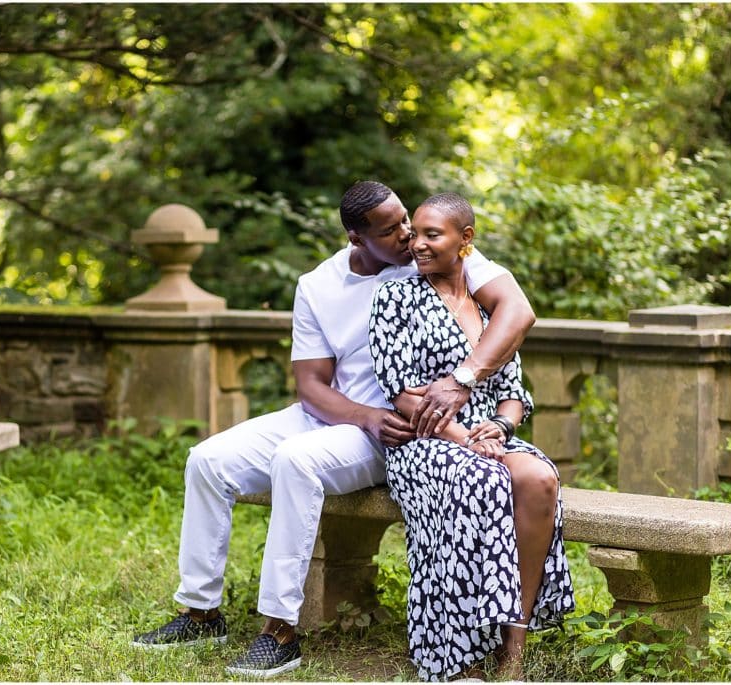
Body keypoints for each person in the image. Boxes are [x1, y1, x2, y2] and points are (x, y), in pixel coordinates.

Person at [130, 181, 536, 678]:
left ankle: (279, 629)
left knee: (296, 461)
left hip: (405, 429)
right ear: (355, 239)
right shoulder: (319, 285)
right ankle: (200, 612)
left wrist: (460, 383)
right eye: (391, 230)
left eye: (406, 220)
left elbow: (516, 309)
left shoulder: (437, 255)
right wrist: (365, 415)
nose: (408, 236)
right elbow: (311, 386)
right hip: (352, 418)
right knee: (207, 461)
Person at [368, 192, 575, 682]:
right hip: (425, 443)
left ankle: (513, 645)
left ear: (466, 241)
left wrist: (500, 426)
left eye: (431, 235)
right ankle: (454, 651)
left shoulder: (486, 311)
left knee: (539, 478)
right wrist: (464, 438)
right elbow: (402, 393)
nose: (416, 244)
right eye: (414, 234)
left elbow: (514, 393)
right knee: (481, 481)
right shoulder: (395, 298)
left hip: (487, 436)